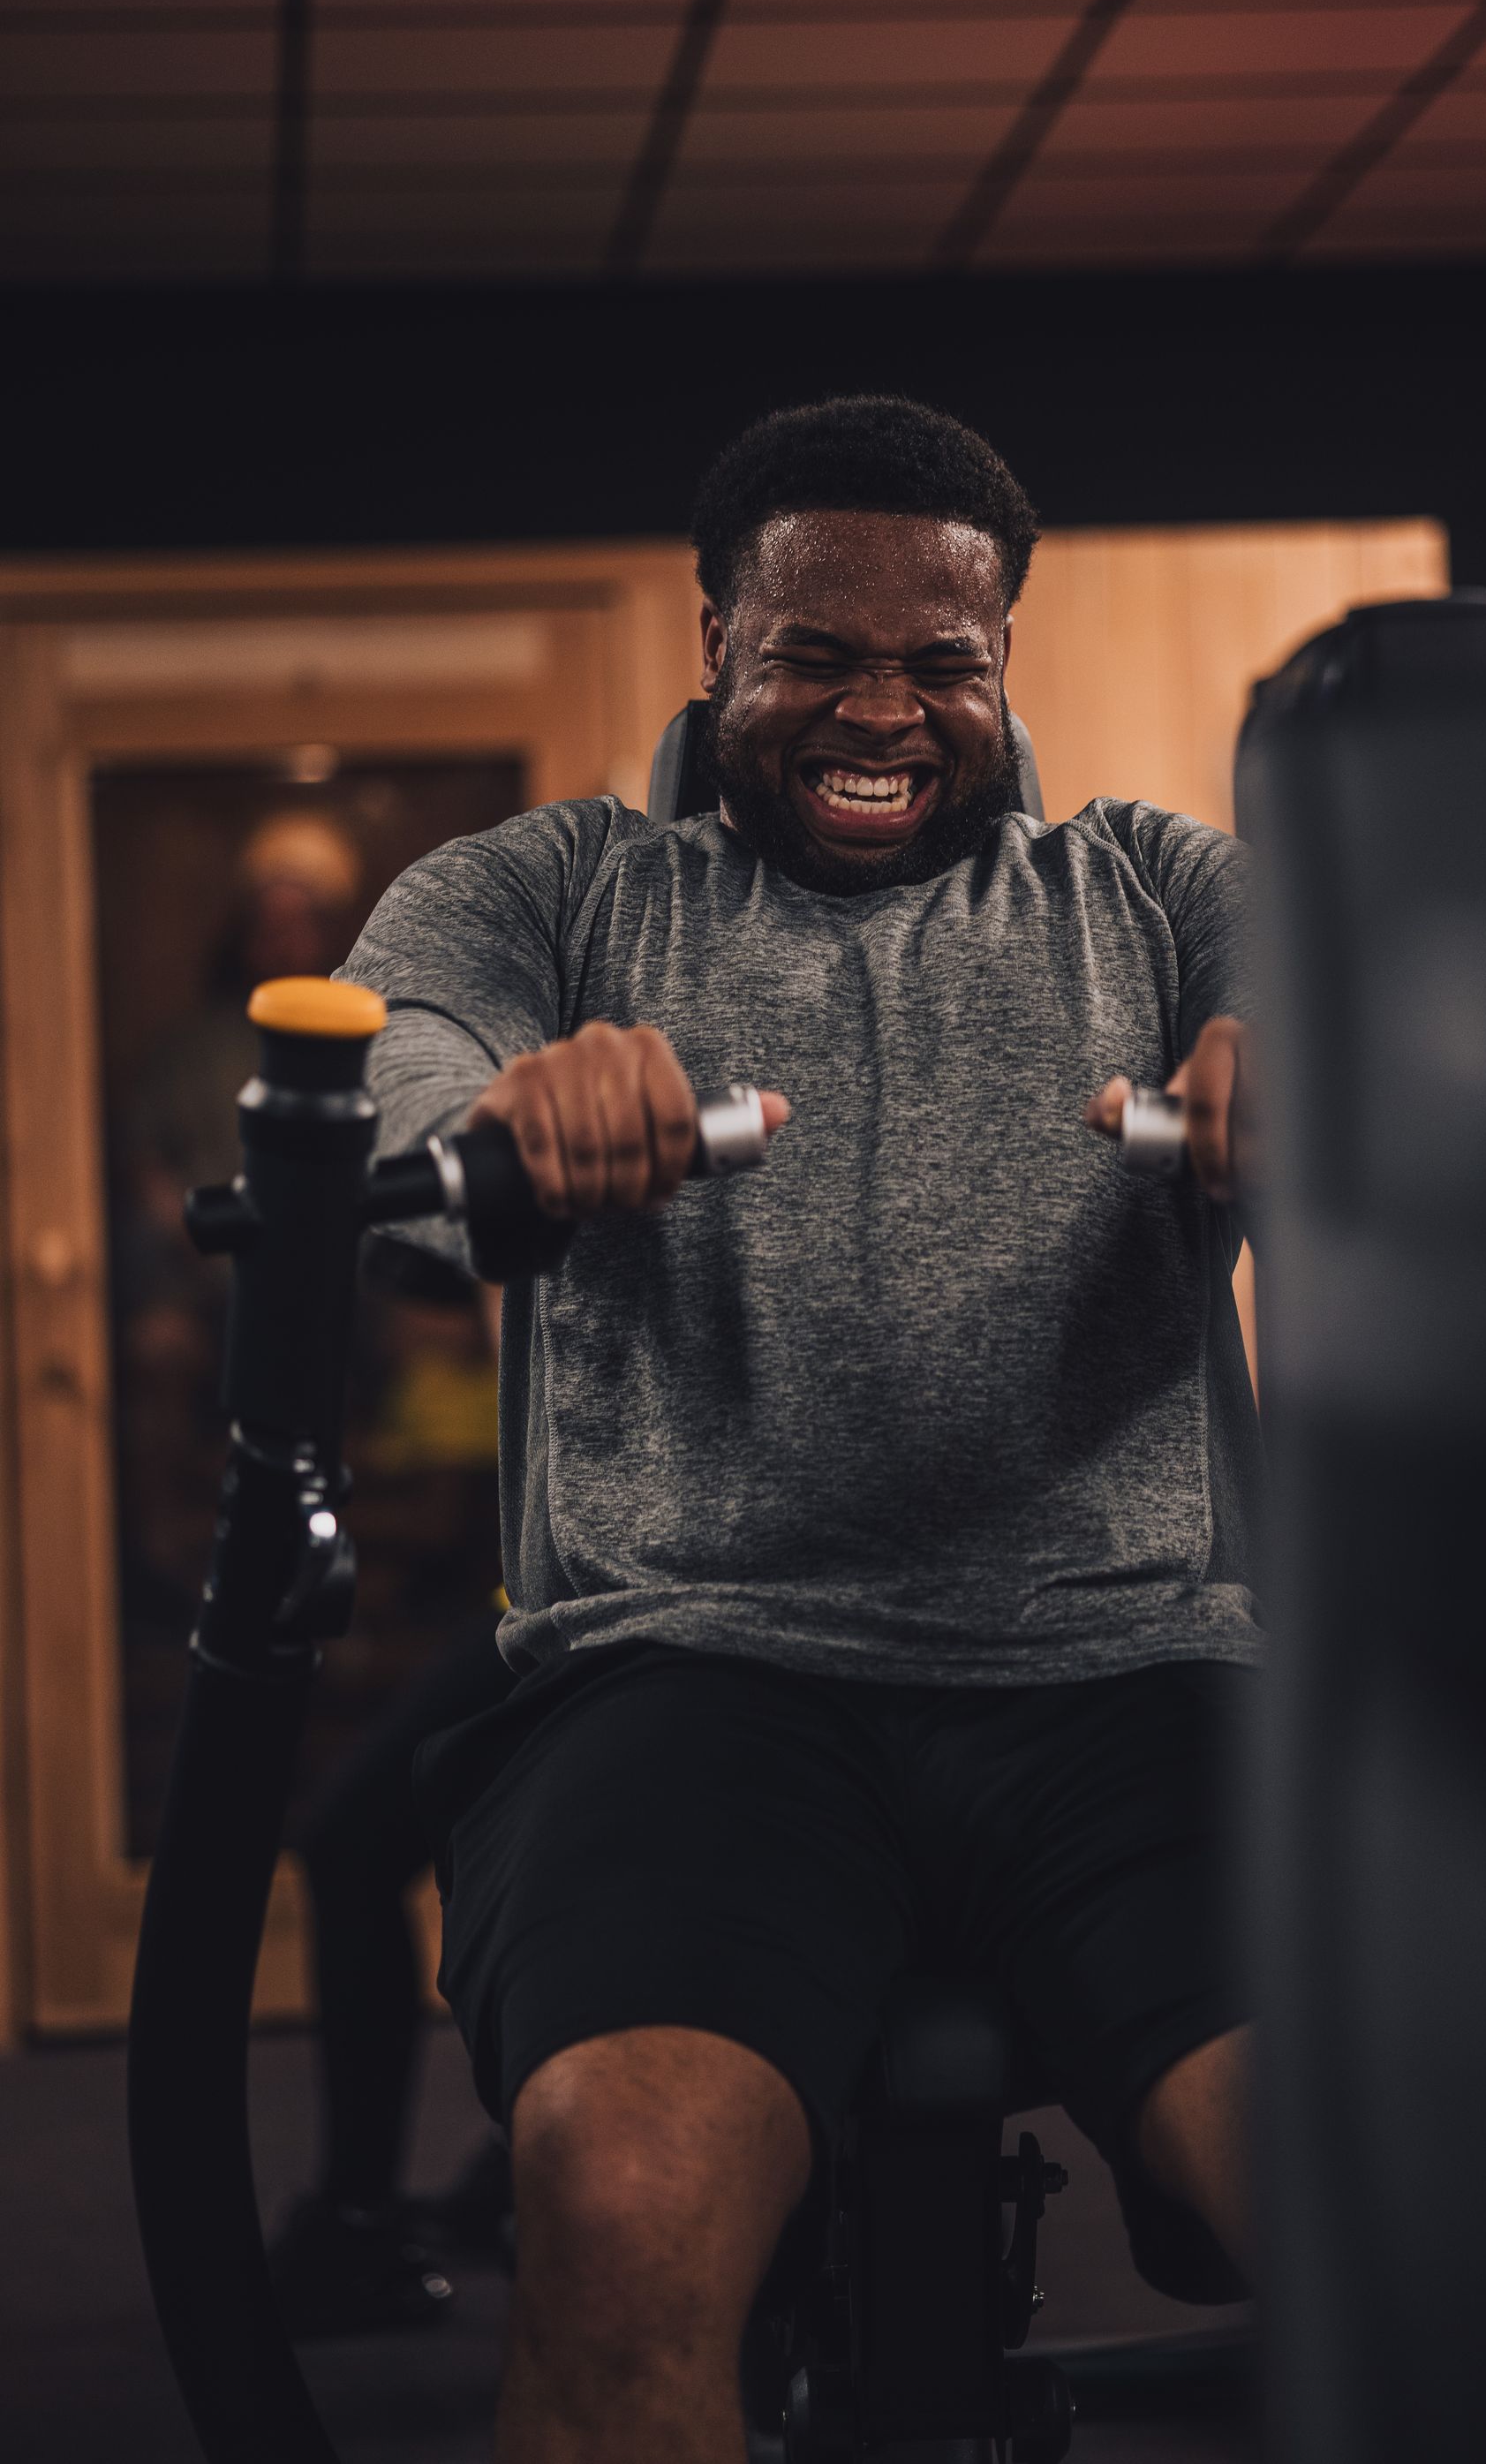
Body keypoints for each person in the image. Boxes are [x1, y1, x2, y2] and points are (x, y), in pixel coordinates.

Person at [343, 397, 1261, 2464]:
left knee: (1392, 2184)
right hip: (693, 1683)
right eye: (816, 655)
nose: (886, 710)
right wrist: (497, 1119)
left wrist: (1300, 1075)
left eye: (942, 661)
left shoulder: (1146, 887)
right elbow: (407, 1057)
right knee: (622, 2200)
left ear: (1004, 665)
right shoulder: (567, 892)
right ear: (711, 652)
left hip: (1118, 1682)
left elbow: (1326, 1017)